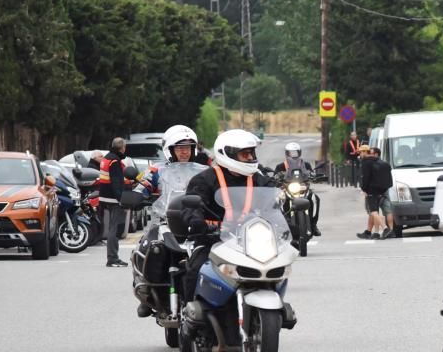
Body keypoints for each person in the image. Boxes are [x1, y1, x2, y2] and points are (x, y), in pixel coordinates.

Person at [180, 130, 270, 304]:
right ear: (227, 154)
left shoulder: (259, 179)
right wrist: (196, 222)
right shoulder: (204, 179)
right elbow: (190, 205)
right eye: (245, 154)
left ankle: (277, 307)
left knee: (271, 267)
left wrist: (288, 224)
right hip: (212, 240)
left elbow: (272, 205)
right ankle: (190, 314)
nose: (251, 158)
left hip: (249, 241)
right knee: (195, 269)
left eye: (252, 153)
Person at [136, 125, 199, 197]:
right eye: (180, 148)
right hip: (164, 208)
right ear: (170, 150)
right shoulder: (156, 170)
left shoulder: (201, 171)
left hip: (194, 208)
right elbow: (140, 190)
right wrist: (137, 196)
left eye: (188, 148)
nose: (185, 152)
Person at [274, 141, 321, 236]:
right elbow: (275, 176)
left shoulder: (305, 164)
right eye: (291, 152)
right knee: (278, 201)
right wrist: (276, 178)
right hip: (287, 189)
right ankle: (281, 226)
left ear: (299, 152)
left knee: (314, 198)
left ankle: (313, 224)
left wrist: (314, 176)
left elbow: (311, 173)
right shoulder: (281, 166)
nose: (293, 154)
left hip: (303, 188)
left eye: (295, 152)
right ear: (287, 153)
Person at [98, 137, 130, 267]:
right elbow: (116, 182)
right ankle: (112, 258)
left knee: (112, 226)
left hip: (104, 197)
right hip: (113, 198)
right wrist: (121, 199)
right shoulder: (115, 161)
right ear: (122, 148)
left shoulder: (107, 158)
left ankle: (112, 257)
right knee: (114, 228)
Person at [358, 146, 395, 239]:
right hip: (382, 190)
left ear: (365, 152)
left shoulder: (366, 162)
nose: (360, 154)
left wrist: (364, 189)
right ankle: (370, 232)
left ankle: (385, 229)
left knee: (373, 212)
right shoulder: (378, 161)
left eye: (361, 152)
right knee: (382, 211)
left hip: (371, 191)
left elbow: (365, 177)